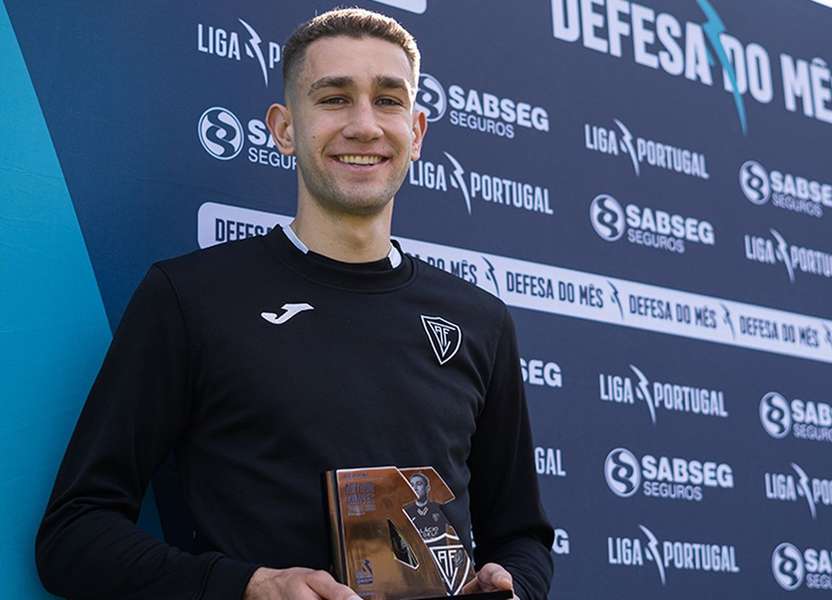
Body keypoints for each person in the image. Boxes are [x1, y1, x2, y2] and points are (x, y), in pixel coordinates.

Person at [35, 8, 553, 600]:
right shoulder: (192, 297)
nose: (365, 125)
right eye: (333, 99)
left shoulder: (478, 320)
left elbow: (522, 538)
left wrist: (515, 587)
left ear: (417, 132)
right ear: (283, 128)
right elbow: (73, 535)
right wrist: (246, 586)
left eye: (388, 100)